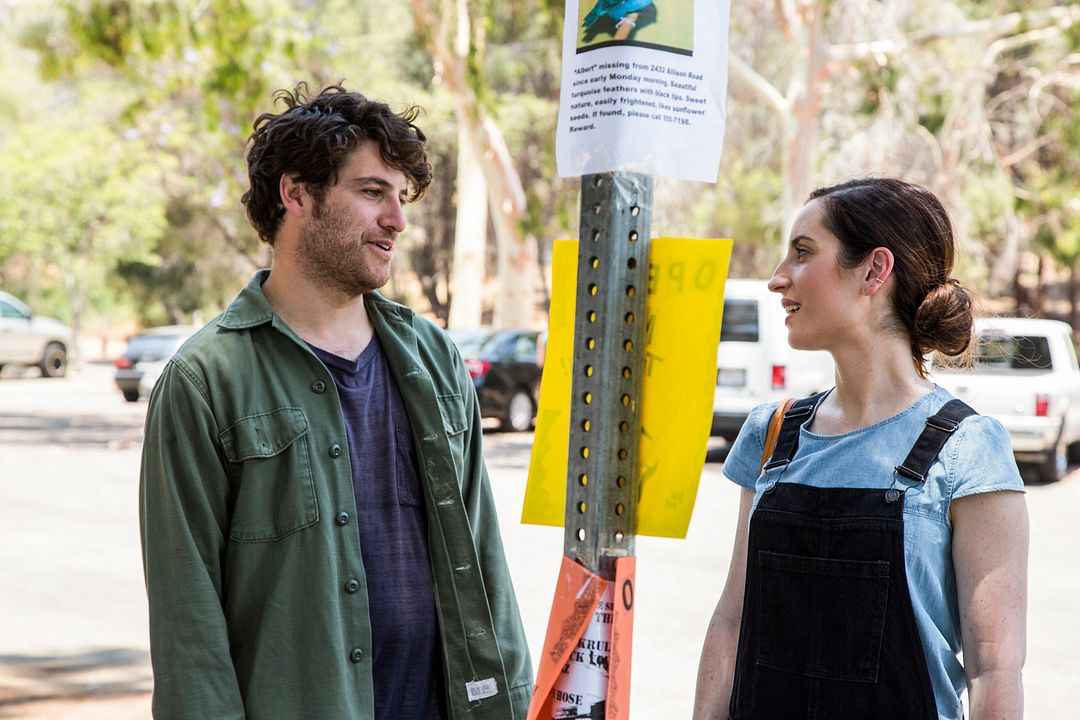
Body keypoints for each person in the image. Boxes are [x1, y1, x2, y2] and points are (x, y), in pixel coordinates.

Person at [139, 83, 533, 720]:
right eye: (372, 191)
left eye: (400, 199)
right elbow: (189, 626)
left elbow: (483, 559)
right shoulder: (206, 381)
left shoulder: (435, 358)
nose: (398, 221)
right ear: (296, 194)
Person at [692, 178, 1028, 720]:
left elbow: (994, 667)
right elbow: (733, 619)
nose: (778, 278)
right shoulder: (772, 433)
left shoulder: (968, 449)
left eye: (803, 252)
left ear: (874, 271)